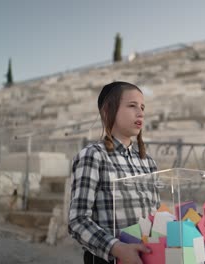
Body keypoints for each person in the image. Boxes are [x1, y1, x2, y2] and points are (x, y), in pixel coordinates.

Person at [68, 81, 160, 264]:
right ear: (107, 111)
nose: (140, 112)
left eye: (142, 107)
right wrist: (117, 249)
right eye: (132, 106)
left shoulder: (148, 162)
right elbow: (77, 220)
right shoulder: (94, 156)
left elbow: (155, 217)